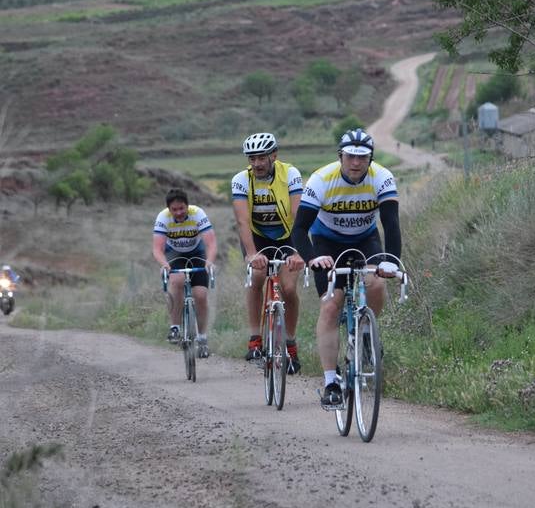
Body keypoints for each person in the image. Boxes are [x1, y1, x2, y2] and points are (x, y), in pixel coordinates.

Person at [292, 128, 402, 406]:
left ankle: (366, 332)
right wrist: (312, 258)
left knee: (376, 281)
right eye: (350, 156)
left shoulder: (383, 178)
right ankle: (330, 382)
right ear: (340, 156)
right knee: (331, 305)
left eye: (362, 157)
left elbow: (391, 224)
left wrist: (390, 261)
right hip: (326, 243)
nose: (356, 163)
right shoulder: (321, 179)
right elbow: (300, 229)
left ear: (370, 159)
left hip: (366, 238)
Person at [231, 132, 305, 374]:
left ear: (274, 155)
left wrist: (297, 251)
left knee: (290, 288)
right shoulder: (241, 180)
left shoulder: (290, 174)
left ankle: (291, 346)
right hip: (257, 237)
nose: (257, 164)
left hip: (287, 236)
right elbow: (242, 221)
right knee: (257, 276)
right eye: (252, 158)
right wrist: (252, 255)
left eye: (262, 157)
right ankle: (255, 339)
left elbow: (297, 216)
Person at [152, 187, 217, 356]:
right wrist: (164, 264)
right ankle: (175, 327)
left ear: (188, 206)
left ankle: (202, 338)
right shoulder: (163, 218)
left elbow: (211, 243)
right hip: (174, 254)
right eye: (174, 209)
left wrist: (209, 261)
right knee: (177, 280)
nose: (179, 212)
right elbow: (157, 249)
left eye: (182, 208)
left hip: (197, 252)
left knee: (201, 296)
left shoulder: (198, 214)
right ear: (169, 209)